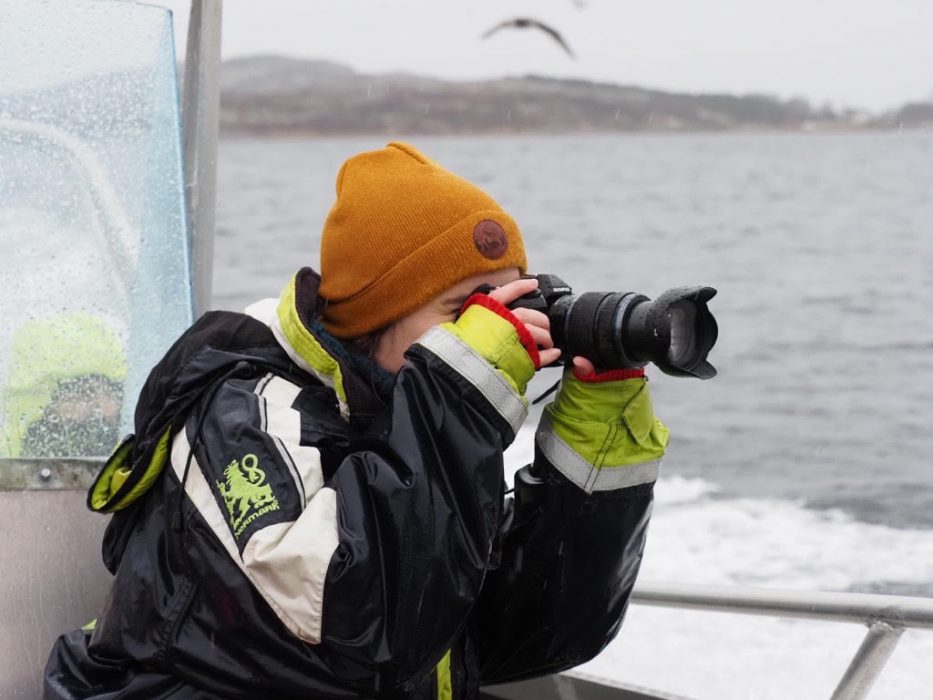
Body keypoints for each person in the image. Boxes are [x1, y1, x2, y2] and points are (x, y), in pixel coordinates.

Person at [44, 142, 669, 699]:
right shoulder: (240, 417)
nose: (495, 332)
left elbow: (537, 636)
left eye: (510, 301)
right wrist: (456, 395)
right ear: (376, 317)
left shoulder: (414, 420)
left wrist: (597, 428)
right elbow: (360, 636)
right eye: (463, 310)